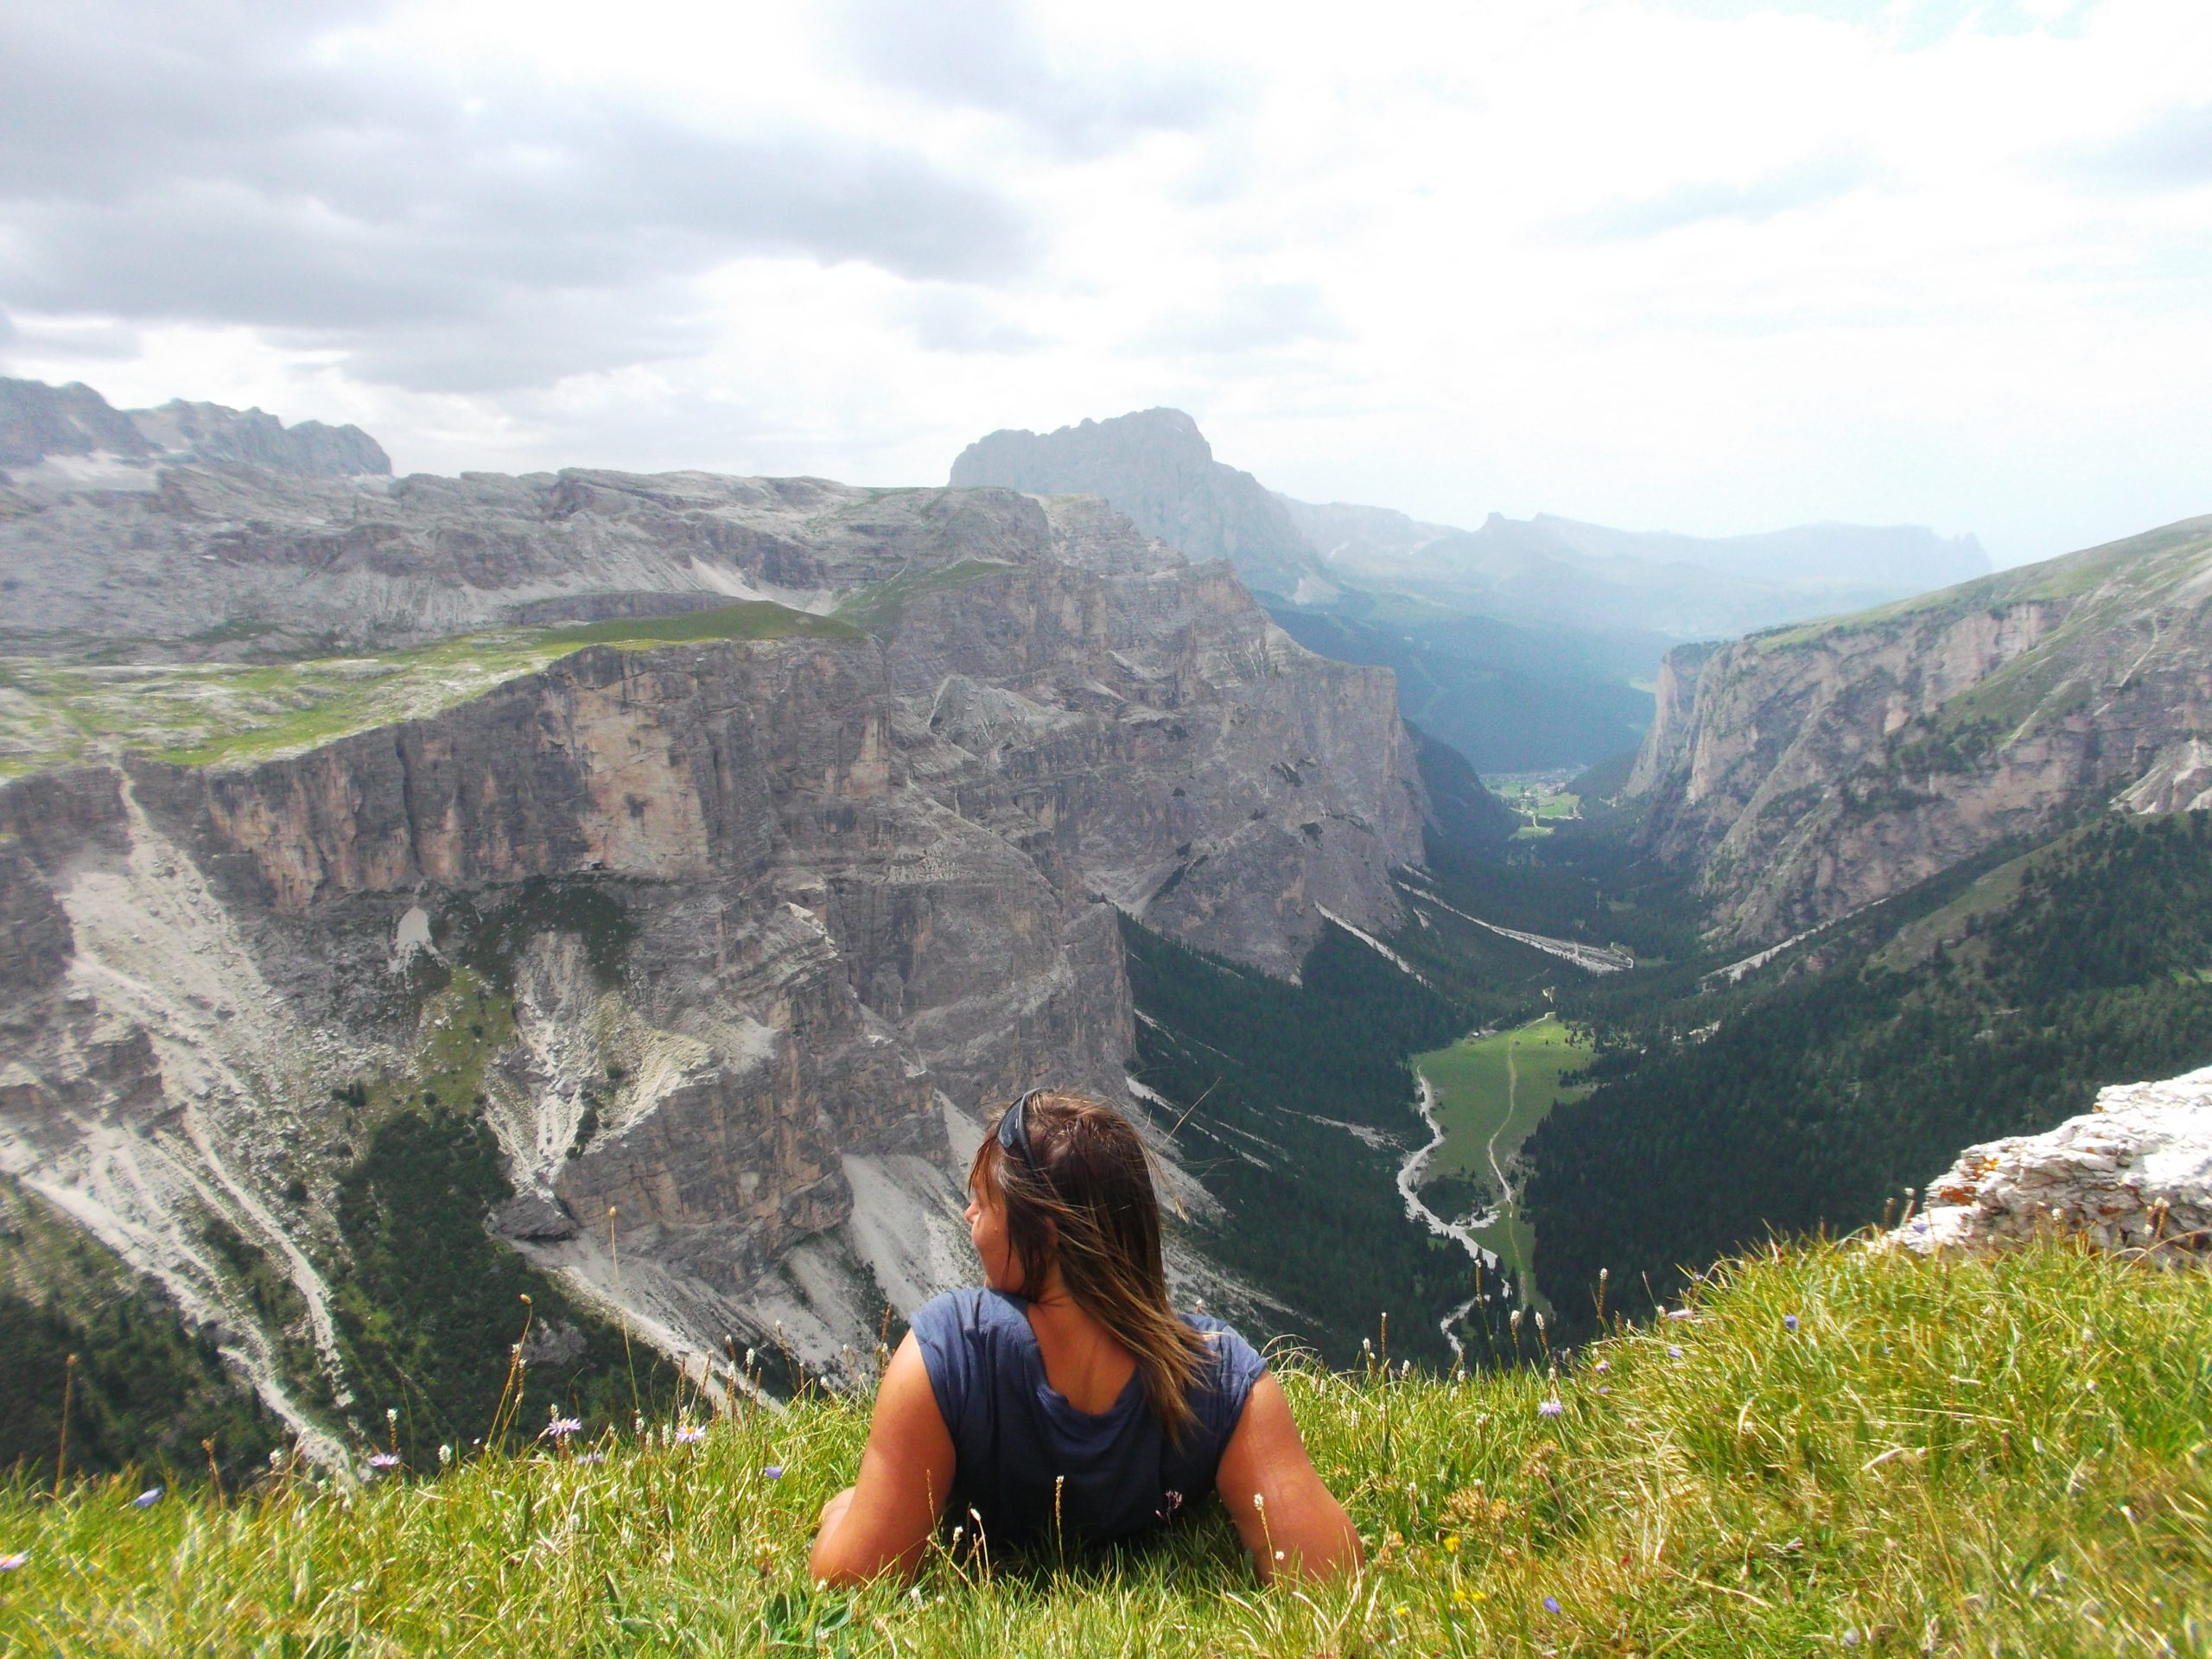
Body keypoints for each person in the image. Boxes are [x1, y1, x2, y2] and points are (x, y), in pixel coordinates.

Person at [809, 1089, 1363, 1586]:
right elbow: (1328, 1570)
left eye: (984, 1200)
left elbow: (851, 1579)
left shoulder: (952, 1352)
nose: (967, 1214)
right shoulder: (1220, 1373)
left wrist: (843, 1510)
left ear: (1043, 1233)